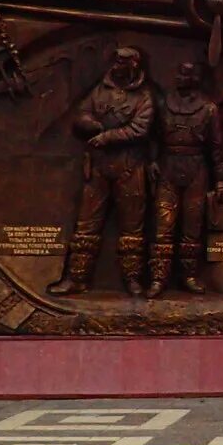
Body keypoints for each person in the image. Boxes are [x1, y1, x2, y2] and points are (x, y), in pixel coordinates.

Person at [47, 46, 158, 297]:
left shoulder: (145, 97)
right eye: (116, 61)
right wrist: (89, 123)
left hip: (129, 167)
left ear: (134, 66)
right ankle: (77, 279)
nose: (117, 66)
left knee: (133, 228)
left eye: (123, 63)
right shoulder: (100, 90)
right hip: (98, 167)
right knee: (86, 225)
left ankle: (132, 280)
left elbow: (140, 129)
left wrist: (108, 136)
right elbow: (81, 113)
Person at [149, 58, 223, 296]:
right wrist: (153, 159)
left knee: (192, 226)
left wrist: (222, 179)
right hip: (168, 167)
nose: (180, 79)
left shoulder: (209, 109)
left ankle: (189, 276)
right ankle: (158, 279)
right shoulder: (163, 103)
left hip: (196, 169)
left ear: (196, 79)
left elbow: (218, 148)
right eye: (179, 74)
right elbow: (152, 136)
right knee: (163, 225)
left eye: (186, 75)